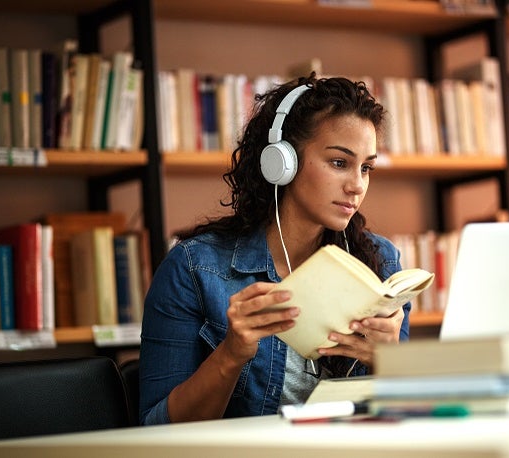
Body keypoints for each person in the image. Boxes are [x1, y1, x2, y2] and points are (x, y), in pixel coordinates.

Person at [139, 74, 411, 425]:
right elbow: (157, 428)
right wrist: (231, 354)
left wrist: (390, 362)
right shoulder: (193, 268)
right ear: (282, 162)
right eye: (339, 163)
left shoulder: (381, 263)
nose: (357, 186)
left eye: (366, 167)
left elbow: (400, 419)